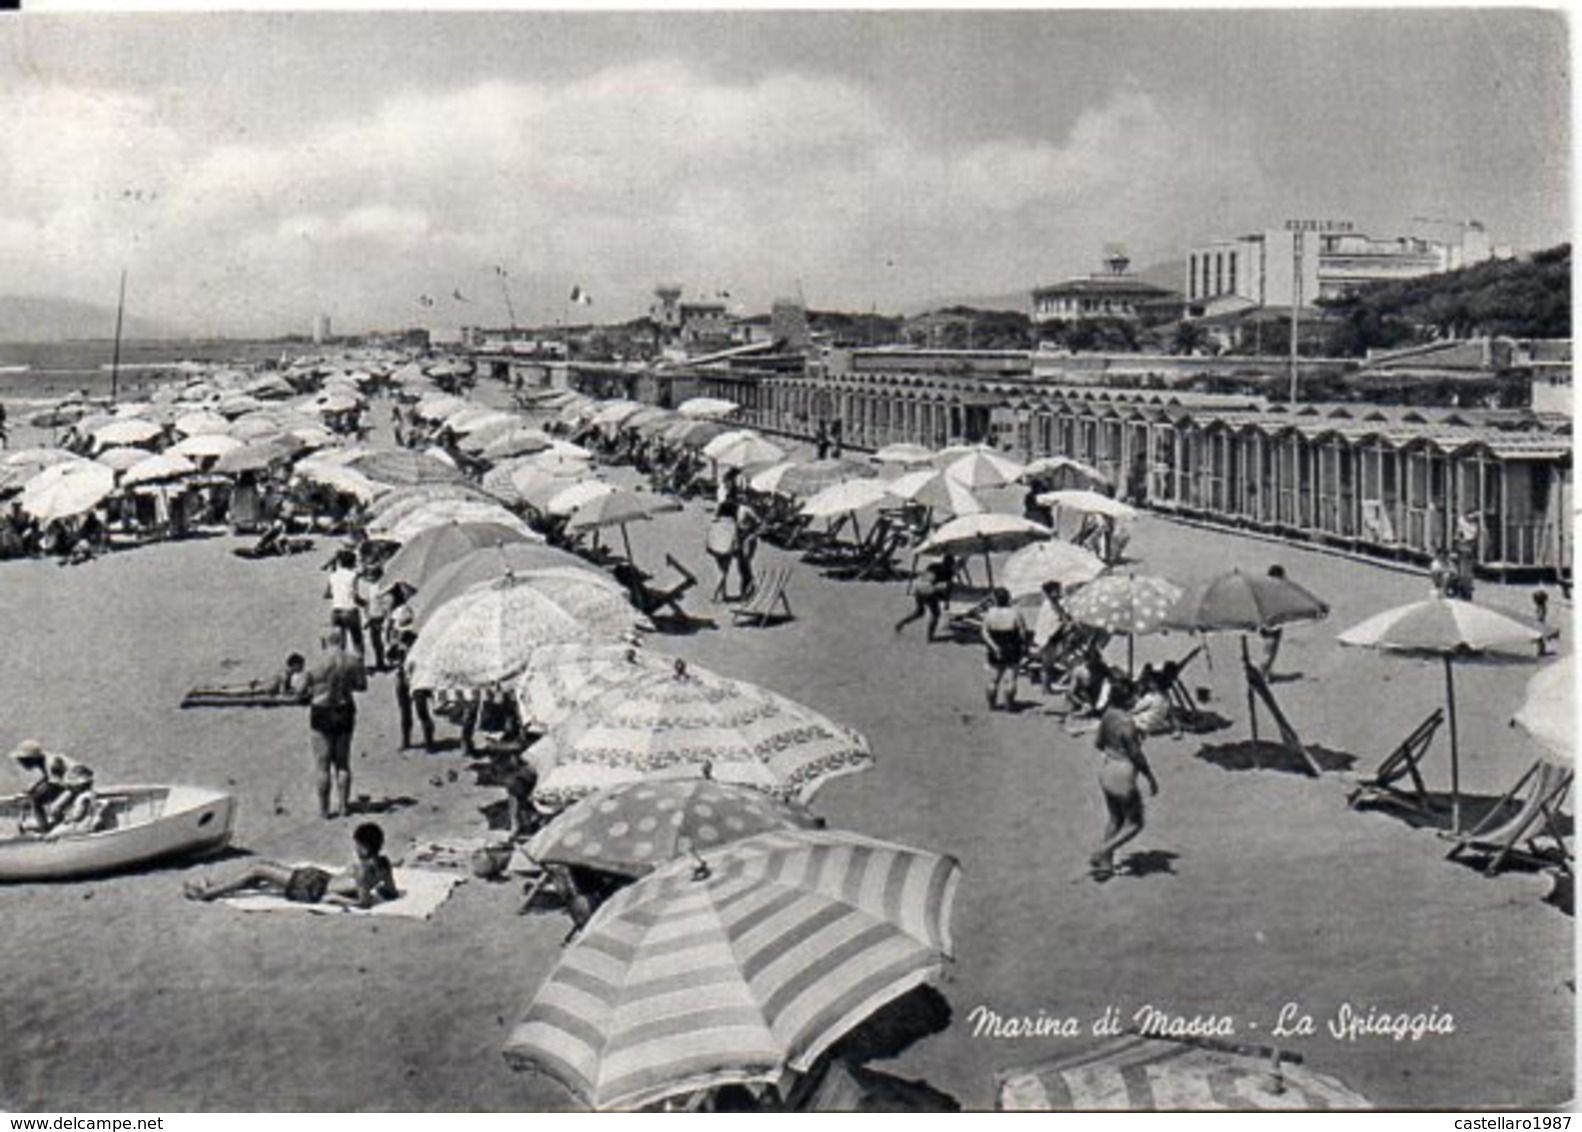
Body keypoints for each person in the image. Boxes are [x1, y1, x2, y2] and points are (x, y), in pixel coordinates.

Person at [184, 821, 399, 910]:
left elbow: (365, 903)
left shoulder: (362, 870)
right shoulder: (384, 863)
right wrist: (378, 886)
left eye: (356, 844)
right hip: (319, 880)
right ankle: (215, 886)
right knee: (262, 874)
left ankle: (207, 894)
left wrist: (336, 898)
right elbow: (390, 891)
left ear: (363, 847)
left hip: (313, 888)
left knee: (258, 869)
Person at [1089, 683, 1159, 881]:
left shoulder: (1108, 715)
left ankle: (1106, 865)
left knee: (1115, 818)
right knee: (1135, 823)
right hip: (1123, 771)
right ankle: (1102, 851)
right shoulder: (1127, 723)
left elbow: (1098, 743)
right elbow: (1136, 755)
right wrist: (1150, 777)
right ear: (1128, 699)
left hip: (1106, 767)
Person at [301, 633, 368, 819]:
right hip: (344, 708)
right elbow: (362, 686)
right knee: (343, 762)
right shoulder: (353, 661)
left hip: (321, 710)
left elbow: (300, 690)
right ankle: (343, 806)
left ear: (323, 641)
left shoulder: (316, 662)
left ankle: (324, 809)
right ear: (343, 640)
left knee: (322, 765)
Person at [387, 593, 435, 751]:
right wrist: (394, 647)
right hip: (404, 676)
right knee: (405, 711)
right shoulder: (398, 640)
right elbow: (390, 657)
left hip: (417, 677)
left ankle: (428, 741)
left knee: (422, 711)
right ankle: (406, 740)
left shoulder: (418, 640)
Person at [10, 741, 78, 834]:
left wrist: (34, 794)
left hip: (76, 786)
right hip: (69, 784)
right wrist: (33, 788)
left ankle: (45, 829)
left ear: (32, 758)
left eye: (25, 760)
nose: (22, 763)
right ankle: (47, 826)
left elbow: (55, 784)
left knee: (38, 801)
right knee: (38, 798)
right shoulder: (44, 761)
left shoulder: (52, 762)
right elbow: (48, 777)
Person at [981, 587, 1029, 711]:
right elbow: (1023, 633)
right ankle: (1009, 705)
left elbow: (984, 633)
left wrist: (994, 647)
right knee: (1011, 679)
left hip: (996, 645)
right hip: (1012, 645)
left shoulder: (990, 613)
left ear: (995, 599)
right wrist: (1024, 647)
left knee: (994, 679)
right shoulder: (1015, 613)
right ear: (1008, 598)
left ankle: (992, 705)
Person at [895, 553, 957, 641]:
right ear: (951, 563)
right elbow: (948, 588)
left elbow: (925, 578)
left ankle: (901, 623)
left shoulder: (933, 566)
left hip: (919, 590)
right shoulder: (949, 572)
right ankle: (930, 637)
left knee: (919, 612)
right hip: (929, 592)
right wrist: (946, 602)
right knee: (935, 614)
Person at [325, 549, 365, 656]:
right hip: (350, 611)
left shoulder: (333, 576)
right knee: (357, 640)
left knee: (340, 644)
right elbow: (356, 597)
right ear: (353, 562)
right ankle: (359, 667)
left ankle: (340, 667)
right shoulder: (353, 576)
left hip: (336, 611)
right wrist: (366, 604)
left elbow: (327, 594)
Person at [706, 498, 742, 602]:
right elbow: (735, 539)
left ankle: (723, 595)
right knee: (724, 572)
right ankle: (715, 594)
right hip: (727, 550)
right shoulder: (733, 524)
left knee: (720, 570)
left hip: (716, 548)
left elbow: (710, 534)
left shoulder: (716, 521)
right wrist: (736, 550)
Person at [1258, 565, 1287, 679]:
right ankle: (1263, 673)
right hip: (1273, 624)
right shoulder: (1276, 591)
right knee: (1270, 650)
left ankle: (1267, 671)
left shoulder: (1265, 588)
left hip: (1267, 624)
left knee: (1269, 649)